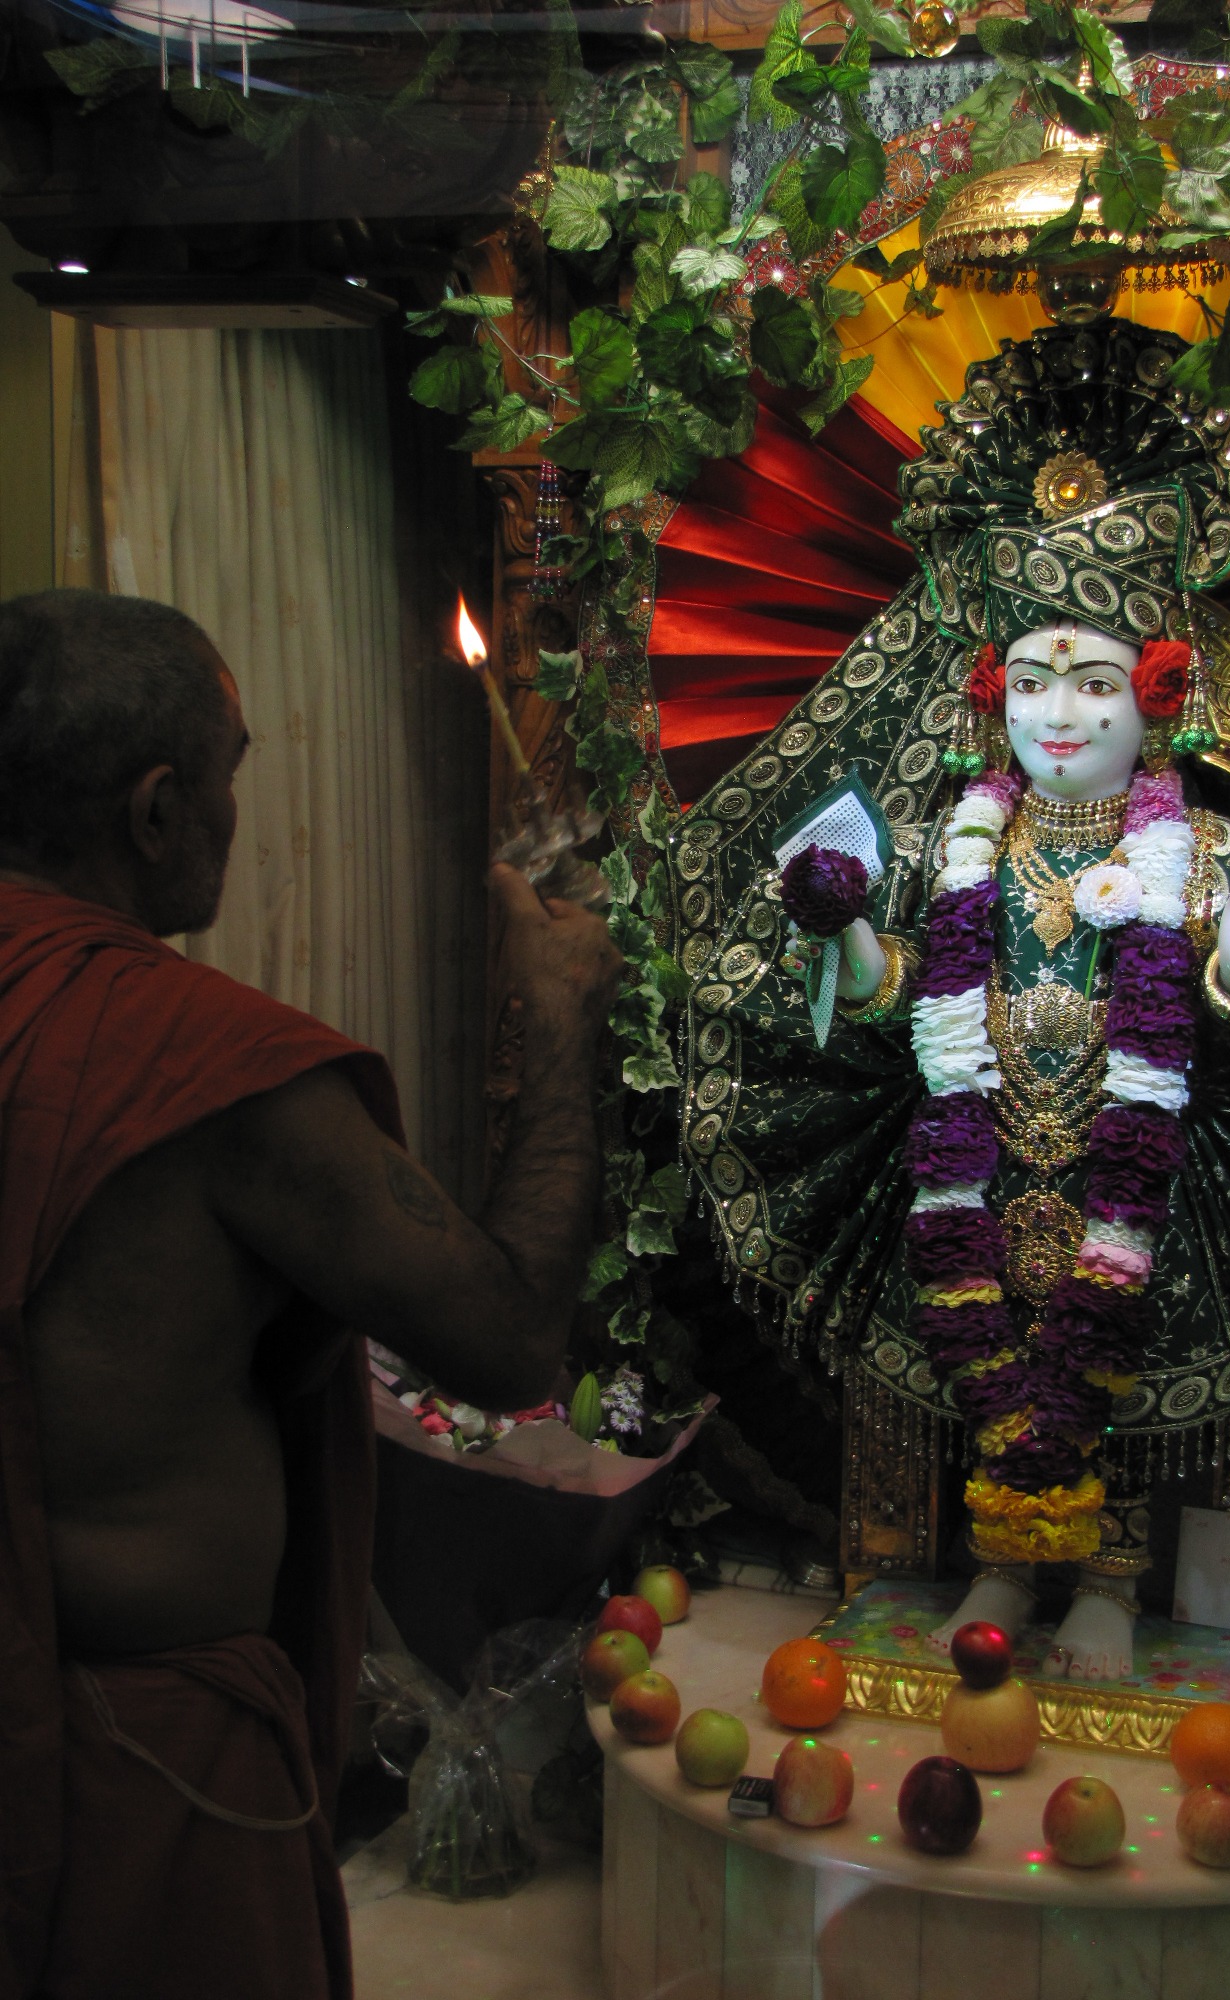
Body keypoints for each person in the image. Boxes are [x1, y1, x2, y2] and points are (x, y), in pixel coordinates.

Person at [666, 318, 1230, 1679]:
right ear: (993, 699)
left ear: (1156, 700)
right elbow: (885, 997)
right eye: (1037, 681)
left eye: (1097, 682)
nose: (1062, 711)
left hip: (1155, 1165)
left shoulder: (1196, 849)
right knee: (988, 1339)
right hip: (974, 1147)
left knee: (1124, 1336)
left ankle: (1112, 1583)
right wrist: (841, 933)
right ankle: (998, 1558)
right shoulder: (954, 849)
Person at [0, 588, 620, 2000]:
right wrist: (557, 1014)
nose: (233, 819)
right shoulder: (207, 1073)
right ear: (159, 811)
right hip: (135, 1776)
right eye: (230, 782)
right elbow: (511, 1339)